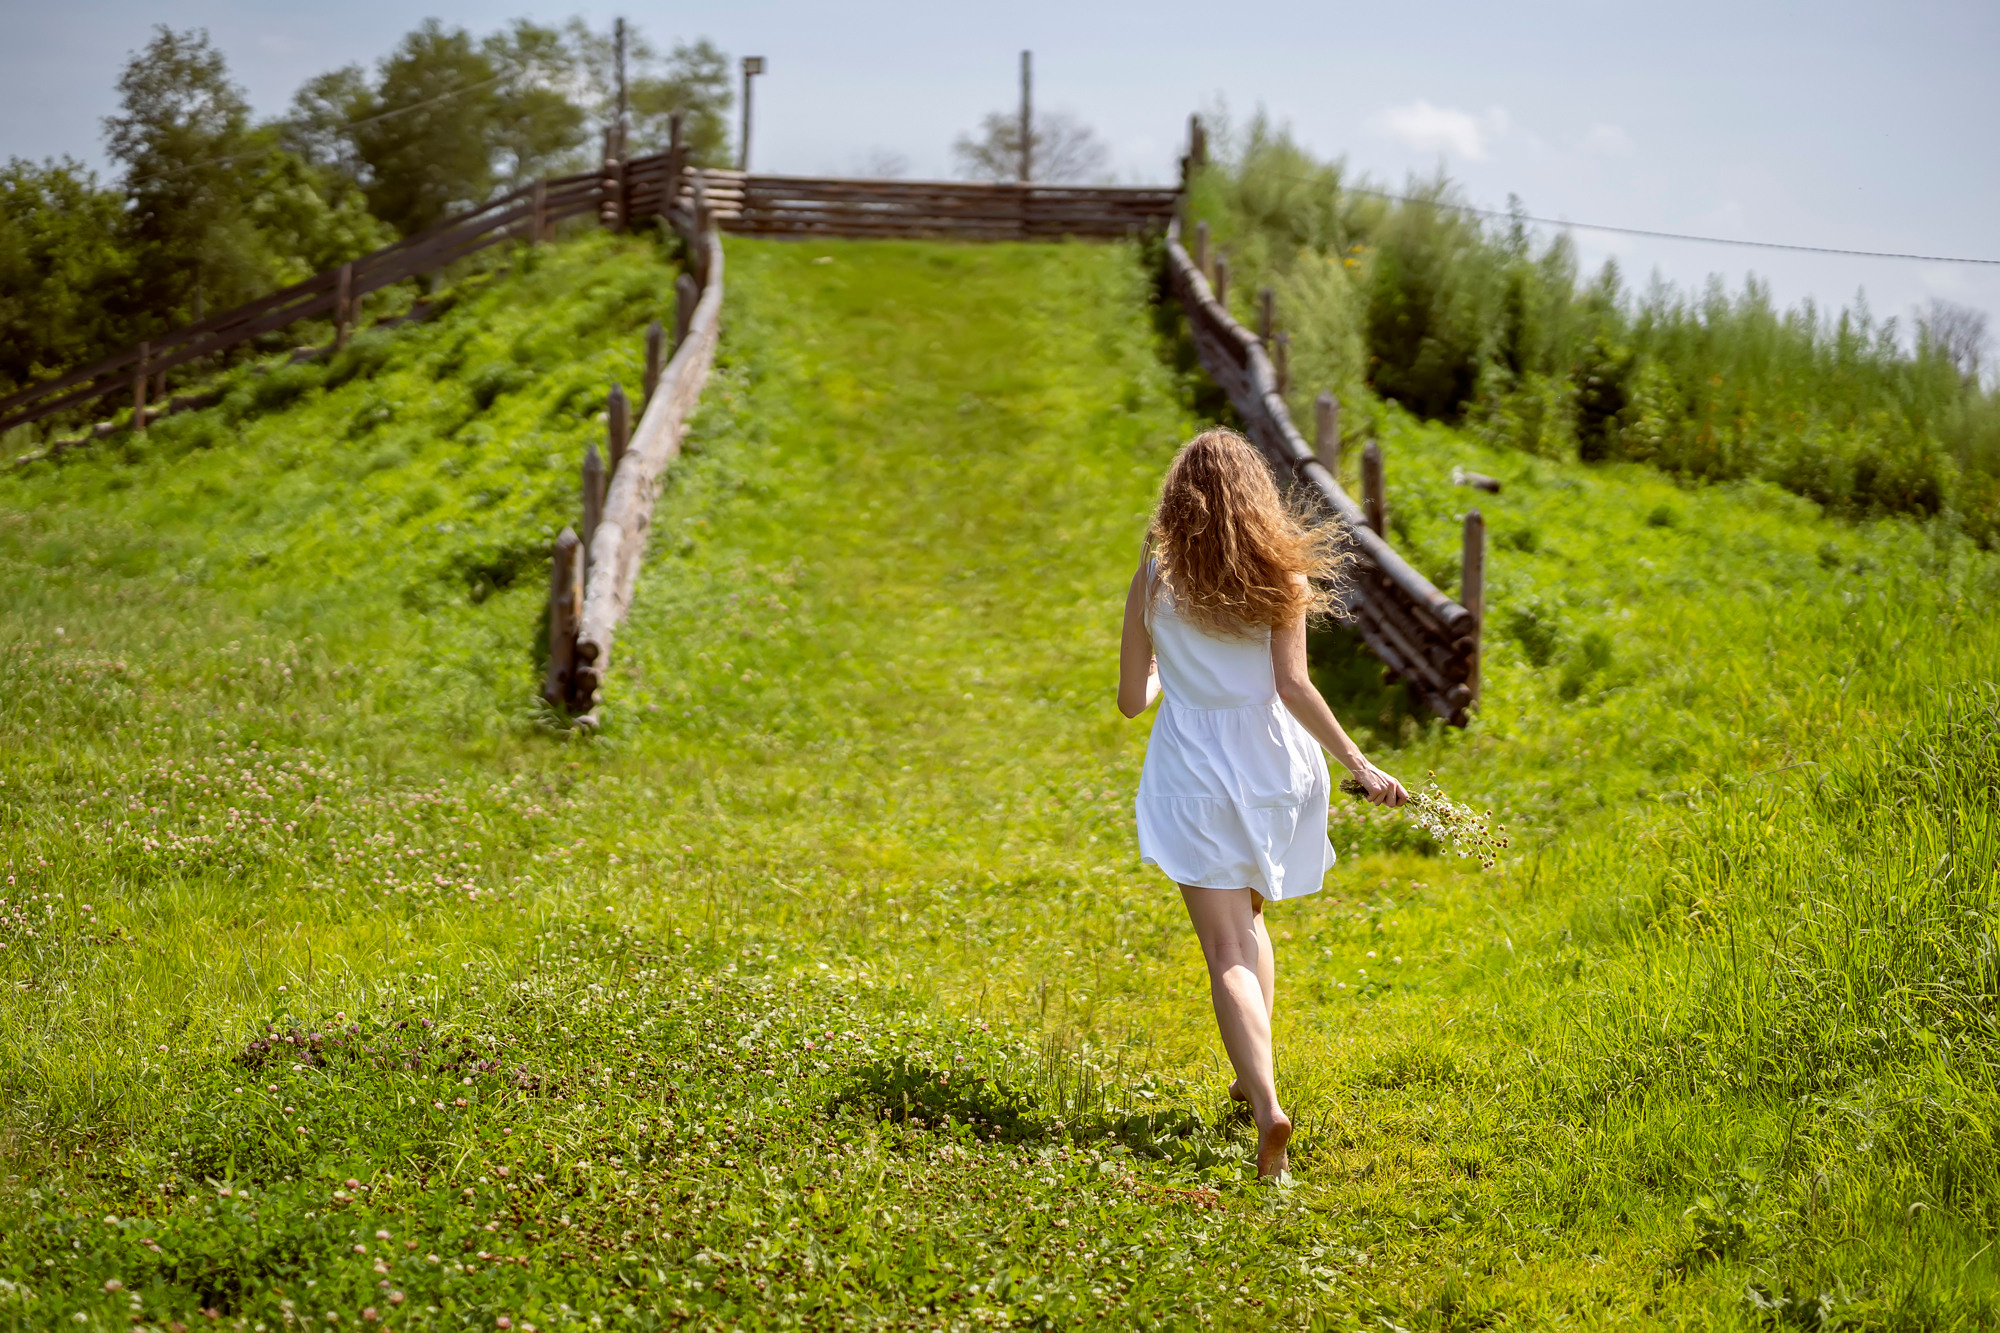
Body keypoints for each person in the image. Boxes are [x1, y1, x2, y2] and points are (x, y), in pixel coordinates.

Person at [1118, 427, 1408, 1179]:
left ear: (1178, 498)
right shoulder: (1281, 571)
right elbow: (1293, 686)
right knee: (1249, 922)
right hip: (1276, 765)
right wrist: (1360, 762)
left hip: (1195, 771)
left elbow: (1131, 699)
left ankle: (1267, 1106)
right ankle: (1254, 1079)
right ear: (1256, 496)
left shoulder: (1155, 570)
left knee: (1226, 951)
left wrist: (1168, 673)